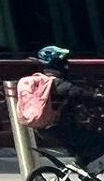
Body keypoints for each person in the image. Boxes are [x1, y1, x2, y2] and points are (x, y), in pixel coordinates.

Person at [38, 45, 104, 174]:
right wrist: (98, 97)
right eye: (64, 63)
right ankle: (85, 170)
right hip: (63, 128)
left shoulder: (43, 82)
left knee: (85, 146)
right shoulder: (61, 85)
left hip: (47, 128)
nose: (67, 66)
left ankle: (86, 173)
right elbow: (84, 95)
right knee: (99, 141)